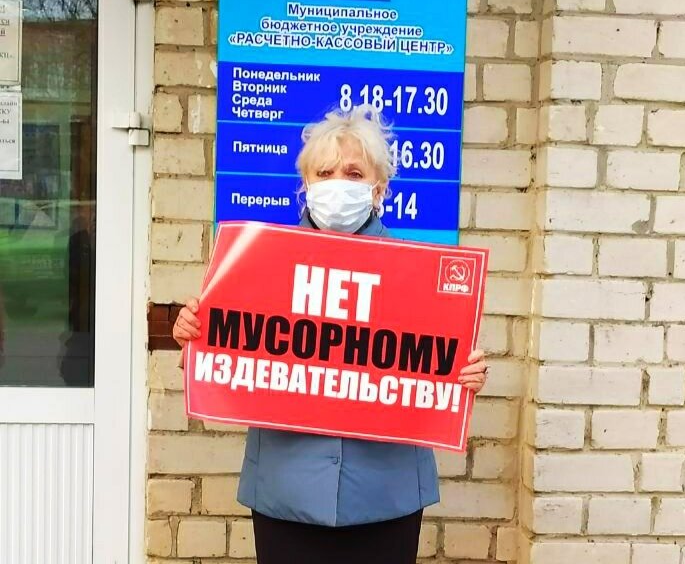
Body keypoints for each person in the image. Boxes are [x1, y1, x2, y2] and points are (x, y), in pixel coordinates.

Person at [172, 105, 489, 564]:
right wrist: (195, 339)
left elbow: (442, 367)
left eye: (354, 173)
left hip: (386, 496)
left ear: (378, 189)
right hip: (286, 491)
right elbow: (224, 356)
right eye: (325, 172)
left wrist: (467, 374)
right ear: (306, 184)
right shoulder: (259, 266)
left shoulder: (417, 275)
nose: (338, 182)